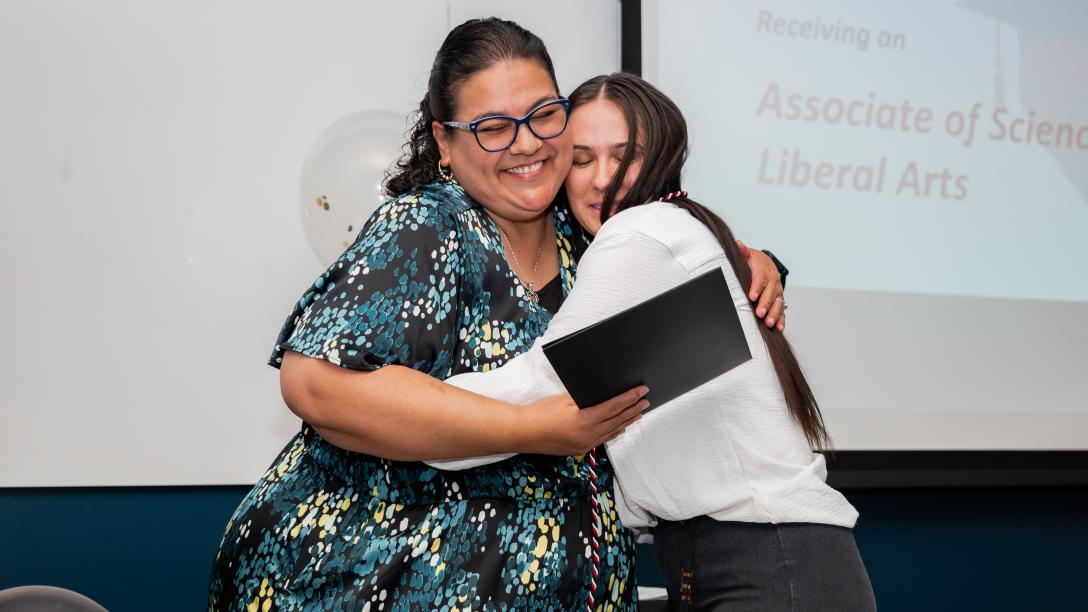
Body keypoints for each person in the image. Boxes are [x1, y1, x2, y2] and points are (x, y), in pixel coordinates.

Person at [209, 19, 786, 611]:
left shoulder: (586, 236)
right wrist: (533, 430)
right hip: (366, 583)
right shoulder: (427, 227)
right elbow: (316, 384)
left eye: (543, 115)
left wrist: (757, 261)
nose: (527, 143)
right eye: (491, 128)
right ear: (444, 142)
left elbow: (670, 256)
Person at [431, 73, 877, 611]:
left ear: (661, 156)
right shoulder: (677, 227)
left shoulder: (639, 234)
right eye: (580, 158)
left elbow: (547, 382)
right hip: (754, 560)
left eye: (624, 156)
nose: (602, 179)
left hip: (767, 562)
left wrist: (400, 409)